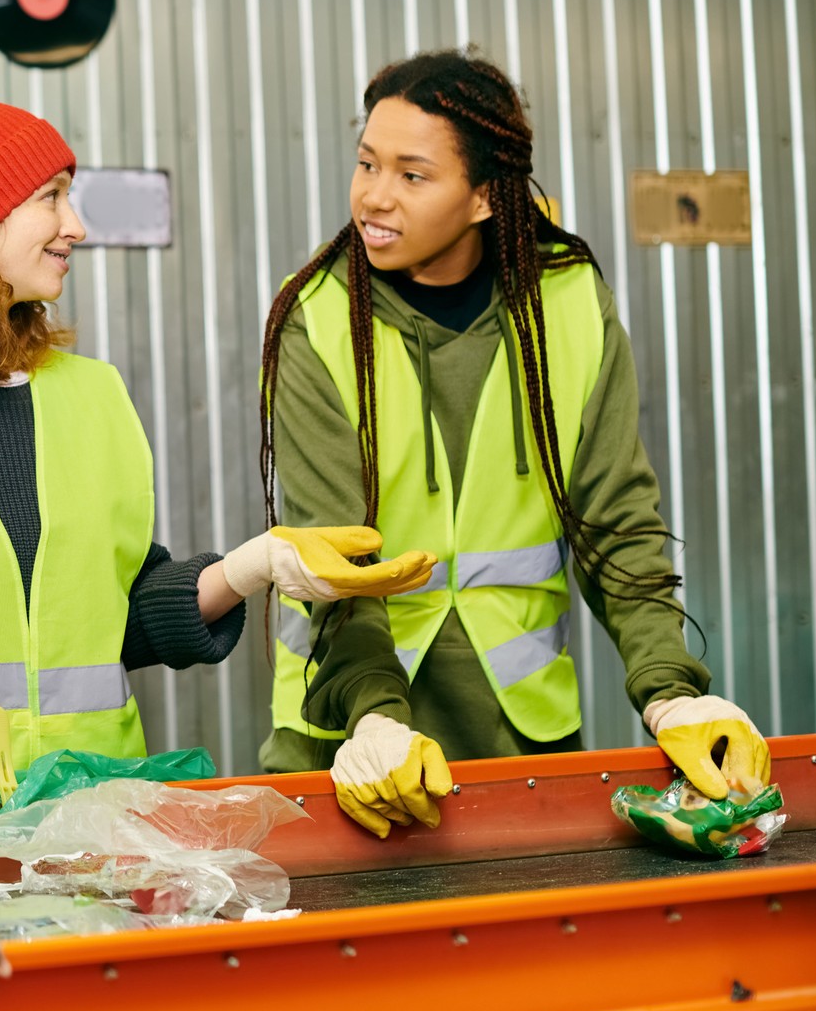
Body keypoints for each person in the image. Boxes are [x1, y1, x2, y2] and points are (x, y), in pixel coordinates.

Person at [0, 98, 434, 805]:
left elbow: (120, 615)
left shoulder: (94, 395)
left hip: (82, 836)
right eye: (51, 198)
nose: (75, 226)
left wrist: (251, 566)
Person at [258, 50, 771, 838]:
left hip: (518, 739)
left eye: (412, 175)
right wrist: (375, 718)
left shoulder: (566, 301)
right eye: (366, 164)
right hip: (348, 741)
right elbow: (332, 557)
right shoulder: (320, 319)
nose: (374, 196)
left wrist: (670, 690)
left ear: (485, 198)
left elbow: (616, 521)